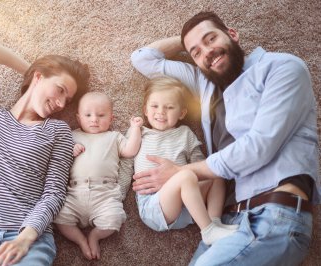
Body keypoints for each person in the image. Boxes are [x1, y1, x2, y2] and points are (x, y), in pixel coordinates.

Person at [131, 11, 320, 266]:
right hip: (226, 220)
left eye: (211, 39)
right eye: (196, 52)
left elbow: (258, 147)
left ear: (232, 35)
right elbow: (143, 58)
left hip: (273, 214)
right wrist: (188, 40)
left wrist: (182, 172)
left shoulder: (281, 67)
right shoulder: (203, 83)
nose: (206, 52)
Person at [0, 36, 89, 266]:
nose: (62, 104)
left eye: (68, 99)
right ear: (39, 77)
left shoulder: (57, 131)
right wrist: (32, 70)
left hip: (28, 236)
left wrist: (26, 238)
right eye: (60, 90)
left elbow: (54, 193)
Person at [128, 76, 238, 245]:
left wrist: (181, 172)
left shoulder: (185, 133)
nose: (161, 112)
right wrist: (134, 128)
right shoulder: (141, 133)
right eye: (154, 106)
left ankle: (213, 222)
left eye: (169, 107)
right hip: (154, 206)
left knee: (215, 170)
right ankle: (208, 231)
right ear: (145, 110)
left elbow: (200, 166)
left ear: (182, 113)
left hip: (190, 206)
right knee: (186, 176)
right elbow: (128, 153)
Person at [54, 91, 143, 260]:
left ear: (111, 119)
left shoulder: (114, 137)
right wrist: (70, 150)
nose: (94, 119)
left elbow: (131, 150)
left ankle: (95, 236)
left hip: (104, 193)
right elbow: (58, 157)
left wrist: (136, 129)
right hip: (74, 192)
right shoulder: (72, 135)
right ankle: (80, 239)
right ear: (79, 118)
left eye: (101, 115)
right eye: (88, 115)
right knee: (59, 217)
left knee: (115, 218)